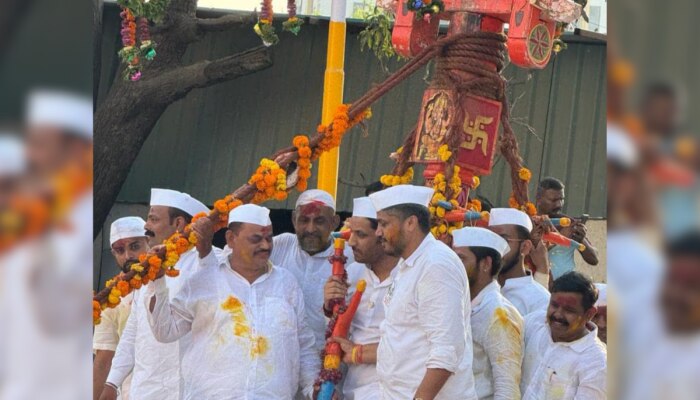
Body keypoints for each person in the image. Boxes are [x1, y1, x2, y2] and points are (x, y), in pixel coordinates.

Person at [145, 204, 319, 399]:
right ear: (231, 239)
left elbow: (304, 344)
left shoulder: (286, 284)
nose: (265, 246)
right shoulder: (205, 279)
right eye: (256, 239)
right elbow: (165, 331)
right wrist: (157, 281)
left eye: (269, 238)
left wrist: (314, 387)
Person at [101, 188, 215, 400]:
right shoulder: (149, 267)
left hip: (193, 391)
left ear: (178, 223)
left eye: (153, 219)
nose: (146, 226)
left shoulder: (213, 263)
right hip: (147, 390)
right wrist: (112, 382)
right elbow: (133, 333)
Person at [369, 184, 477, 399]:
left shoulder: (436, 265)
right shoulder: (407, 265)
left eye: (384, 223)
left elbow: (446, 351)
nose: (378, 232)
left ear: (410, 223)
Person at [322, 197, 400, 399]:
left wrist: (360, 353)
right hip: (353, 390)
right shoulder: (352, 273)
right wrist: (329, 307)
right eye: (351, 233)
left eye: (361, 235)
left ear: (382, 235)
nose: (351, 242)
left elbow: (416, 344)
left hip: (396, 390)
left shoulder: (408, 276)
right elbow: (338, 334)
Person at [271, 189, 353, 354]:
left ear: (334, 222)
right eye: (304, 220)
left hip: (329, 361)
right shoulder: (280, 246)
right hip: (280, 356)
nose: (310, 228)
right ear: (294, 220)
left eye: (319, 221)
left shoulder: (350, 257)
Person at [452, 227, 524, 400]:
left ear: (486, 264)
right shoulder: (459, 302)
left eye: (461, 258)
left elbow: (507, 389)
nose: (453, 265)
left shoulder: (500, 314)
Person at [521, 272, 606, 400]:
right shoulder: (534, 323)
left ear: (589, 314)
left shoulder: (597, 364)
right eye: (554, 305)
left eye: (569, 310)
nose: (558, 315)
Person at [93, 217, 149, 400]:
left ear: (149, 241)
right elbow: (104, 358)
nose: (128, 256)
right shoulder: (112, 299)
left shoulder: (174, 279)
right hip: (132, 392)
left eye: (135, 246)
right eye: (120, 250)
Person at [487, 208, 551, 316]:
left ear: (525, 247)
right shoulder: (479, 288)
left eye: (503, 240)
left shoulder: (539, 300)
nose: (495, 247)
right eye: (490, 239)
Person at [535, 177, 599, 279]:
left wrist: (581, 239)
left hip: (568, 288)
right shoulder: (528, 222)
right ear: (539, 199)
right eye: (554, 200)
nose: (559, 205)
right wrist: (560, 238)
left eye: (562, 199)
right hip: (540, 285)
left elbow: (594, 260)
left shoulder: (569, 223)